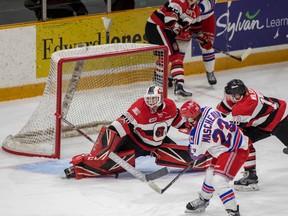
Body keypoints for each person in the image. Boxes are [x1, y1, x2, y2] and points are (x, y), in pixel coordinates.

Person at [64, 86, 211, 179]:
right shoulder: (139, 109)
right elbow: (116, 127)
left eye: (154, 99)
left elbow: (181, 124)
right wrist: (101, 151)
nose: (151, 102)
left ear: (161, 99)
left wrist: (200, 135)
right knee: (106, 164)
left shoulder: (171, 107)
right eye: (149, 99)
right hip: (135, 143)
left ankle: (212, 159)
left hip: (158, 144)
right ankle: (79, 167)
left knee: (189, 158)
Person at [180, 100, 249, 216]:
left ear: (192, 116)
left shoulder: (197, 136)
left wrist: (193, 144)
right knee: (210, 173)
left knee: (219, 180)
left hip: (235, 149)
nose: (186, 120)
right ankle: (203, 201)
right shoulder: (208, 109)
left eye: (187, 117)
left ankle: (233, 212)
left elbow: (195, 155)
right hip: (230, 142)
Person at [216, 79, 288, 191]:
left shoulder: (244, 107)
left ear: (239, 94)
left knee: (239, 138)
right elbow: (222, 110)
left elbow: (234, 132)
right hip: (265, 121)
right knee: (244, 140)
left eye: (231, 95)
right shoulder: (242, 93)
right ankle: (251, 176)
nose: (229, 97)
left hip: (281, 120)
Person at [145, 0, 213, 98]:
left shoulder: (196, 10)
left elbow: (196, 30)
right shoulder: (179, 2)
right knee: (175, 55)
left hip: (163, 29)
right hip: (156, 26)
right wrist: (181, 29)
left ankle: (158, 77)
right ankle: (178, 87)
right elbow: (169, 21)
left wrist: (204, 40)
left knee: (167, 55)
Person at [174, 0, 217, 86]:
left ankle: (210, 71)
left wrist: (198, 9)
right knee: (180, 47)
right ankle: (175, 72)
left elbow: (212, 1)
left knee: (207, 46)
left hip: (206, 19)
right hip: (186, 17)